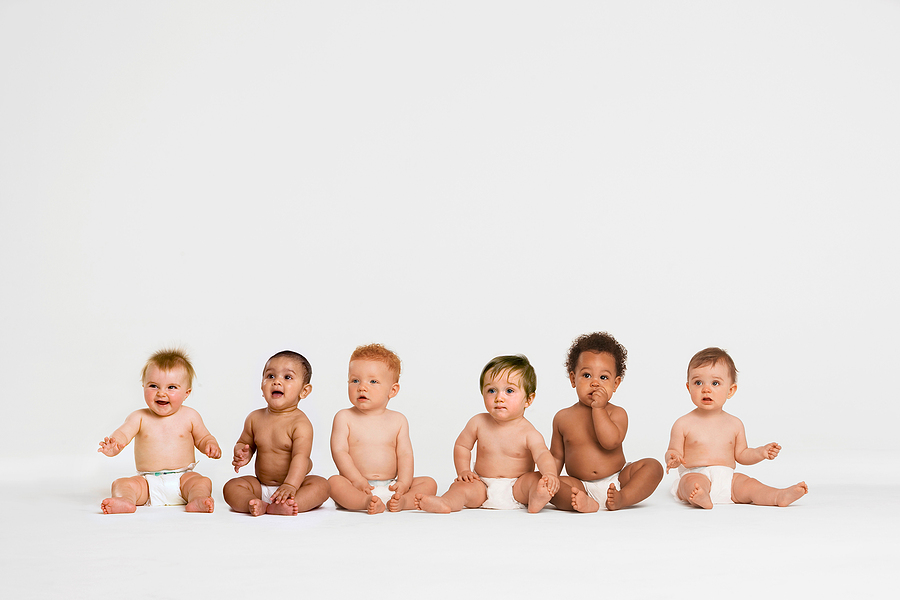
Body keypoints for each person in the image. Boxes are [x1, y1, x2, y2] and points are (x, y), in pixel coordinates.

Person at [666, 347, 808, 509]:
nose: (706, 389)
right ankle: (700, 496)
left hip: (727, 478)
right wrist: (673, 458)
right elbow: (673, 450)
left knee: (749, 484)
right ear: (689, 388)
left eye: (715, 383)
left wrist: (761, 452)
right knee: (689, 483)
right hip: (695, 473)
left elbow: (742, 454)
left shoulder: (735, 424)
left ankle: (777, 496)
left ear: (730, 390)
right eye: (698, 383)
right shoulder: (683, 423)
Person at [415, 354, 559, 513]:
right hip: (482, 485)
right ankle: (446, 502)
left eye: (509, 390)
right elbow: (462, 446)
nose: (499, 397)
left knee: (534, 479)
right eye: (491, 390)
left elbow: (542, 455)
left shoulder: (529, 433)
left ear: (528, 400)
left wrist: (550, 474)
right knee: (461, 487)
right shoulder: (478, 422)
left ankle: (536, 497)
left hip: (517, 487)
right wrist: (464, 471)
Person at [537, 332, 663, 512]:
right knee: (546, 484)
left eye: (603, 378)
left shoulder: (617, 413)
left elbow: (610, 442)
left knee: (653, 467)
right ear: (573, 379)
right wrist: (550, 479)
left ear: (615, 384)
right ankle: (584, 503)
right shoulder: (562, 417)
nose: (595, 383)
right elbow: (557, 456)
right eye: (587, 375)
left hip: (618, 479)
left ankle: (623, 498)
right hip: (579, 484)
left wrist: (599, 409)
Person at [99, 349, 221, 513]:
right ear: (143, 386)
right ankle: (125, 500)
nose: (161, 393)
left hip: (183, 479)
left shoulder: (190, 416)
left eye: (171, 387)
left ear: (186, 393)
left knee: (202, 482)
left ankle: (197, 499)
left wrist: (210, 445)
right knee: (121, 484)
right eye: (153, 386)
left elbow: (203, 438)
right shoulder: (139, 417)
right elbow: (123, 433)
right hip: (147, 483)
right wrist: (114, 444)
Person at [329, 344, 437, 513]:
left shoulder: (398, 420)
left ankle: (403, 501)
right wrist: (356, 480)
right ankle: (364, 502)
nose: (362, 387)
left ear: (392, 390)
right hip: (356, 486)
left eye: (373, 381)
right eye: (355, 380)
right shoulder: (344, 417)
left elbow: (405, 454)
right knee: (333, 482)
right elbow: (339, 452)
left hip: (391, 486)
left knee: (429, 483)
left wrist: (404, 482)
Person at [223, 350, 330, 516]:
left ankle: (290, 503)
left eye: (287, 377)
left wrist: (290, 485)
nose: (277, 381)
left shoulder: (300, 424)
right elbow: (244, 443)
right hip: (260, 486)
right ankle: (254, 503)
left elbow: (301, 457)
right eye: (270, 376)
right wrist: (242, 453)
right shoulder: (254, 418)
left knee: (322, 486)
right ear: (262, 386)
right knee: (231, 487)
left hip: (294, 487)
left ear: (304, 391)